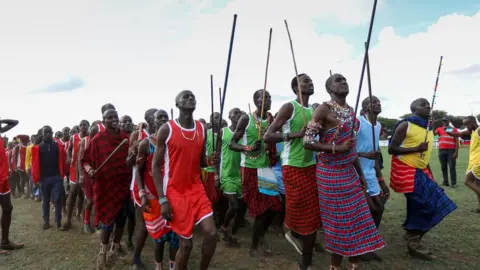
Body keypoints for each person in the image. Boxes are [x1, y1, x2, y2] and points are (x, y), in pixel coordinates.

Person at [303, 74, 385, 269]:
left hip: (350, 173)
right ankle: (335, 266)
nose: (343, 82)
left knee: (358, 220)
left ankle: (353, 265)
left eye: (345, 79)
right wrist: (335, 148)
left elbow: (352, 148)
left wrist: (362, 175)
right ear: (329, 88)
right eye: (338, 80)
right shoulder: (324, 109)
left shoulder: (351, 111)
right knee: (340, 223)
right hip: (330, 174)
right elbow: (307, 142)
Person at [152, 90, 218, 270]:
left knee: (212, 234)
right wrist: (163, 199)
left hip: (196, 189)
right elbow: (155, 167)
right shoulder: (167, 129)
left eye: (193, 96)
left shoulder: (201, 129)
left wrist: (211, 160)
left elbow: (201, 161)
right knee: (186, 245)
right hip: (175, 192)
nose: (190, 98)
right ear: (177, 104)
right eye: (185, 96)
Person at [388, 98, 456, 260]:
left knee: (438, 202)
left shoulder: (429, 128)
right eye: (422, 104)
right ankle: (413, 241)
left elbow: (424, 156)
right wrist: (416, 148)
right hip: (406, 170)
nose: (427, 106)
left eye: (428, 104)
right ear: (413, 109)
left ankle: (412, 234)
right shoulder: (406, 124)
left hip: (422, 170)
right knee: (421, 203)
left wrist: (430, 174)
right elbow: (391, 148)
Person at [264, 74, 320, 269]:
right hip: (292, 165)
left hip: (311, 165)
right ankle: (305, 261)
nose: (310, 83)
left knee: (313, 213)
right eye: (304, 81)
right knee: (302, 211)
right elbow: (268, 136)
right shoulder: (290, 107)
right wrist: (296, 134)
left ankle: (298, 239)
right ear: (295, 88)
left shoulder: (315, 110)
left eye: (311, 80)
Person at [230, 89, 281, 257]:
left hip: (266, 168)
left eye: (270, 98)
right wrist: (249, 147)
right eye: (264, 98)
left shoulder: (271, 119)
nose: (268, 101)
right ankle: (254, 245)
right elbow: (232, 144)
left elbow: (277, 136)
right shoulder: (246, 119)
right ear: (255, 101)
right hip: (250, 168)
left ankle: (260, 236)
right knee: (260, 211)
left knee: (274, 207)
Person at [82, 109, 131, 268]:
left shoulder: (125, 138)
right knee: (107, 220)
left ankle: (114, 248)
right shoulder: (98, 139)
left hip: (123, 184)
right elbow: (86, 160)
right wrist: (89, 170)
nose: (113, 120)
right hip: (105, 186)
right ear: (103, 122)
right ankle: (103, 252)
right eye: (109, 118)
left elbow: (130, 161)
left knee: (122, 218)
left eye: (115, 117)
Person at [136, 109, 179, 270]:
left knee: (175, 236)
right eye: (159, 117)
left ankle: (173, 267)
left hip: (173, 195)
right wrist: (142, 195)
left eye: (165, 117)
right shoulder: (145, 144)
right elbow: (138, 172)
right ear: (152, 122)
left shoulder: (174, 142)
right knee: (159, 238)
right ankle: (158, 266)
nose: (162, 119)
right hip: (153, 196)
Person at [129, 108, 158, 268]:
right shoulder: (140, 136)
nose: (160, 120)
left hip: (159, 185)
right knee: (145, 223)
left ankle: (159, 259)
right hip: (141, 184)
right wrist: (133, 151)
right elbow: (129, 162)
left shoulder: (164, 135)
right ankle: (136, 258)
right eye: (156, 117)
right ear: (148, 119)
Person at [216, 108, 245, 246]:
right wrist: (216, 175)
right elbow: (216, 154)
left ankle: (232, 234)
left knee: (242, 208)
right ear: (229, 116)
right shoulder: (223, 131)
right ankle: (223, 228)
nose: (238, 115)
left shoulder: (243, 133)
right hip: (227, 174)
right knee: (234, 205)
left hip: (241, 174)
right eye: (235, 113)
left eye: (240, 113)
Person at [31, 126, 68, 230]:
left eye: (49, 132)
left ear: (52, 133)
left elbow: (63, 161)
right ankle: (46, 221)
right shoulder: (38, 148)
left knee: (57, 200)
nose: (47, 134)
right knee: (45, 200)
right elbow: (34, 165)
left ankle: (58, 222)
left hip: (56, 177)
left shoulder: (58, 146)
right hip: (43, 178)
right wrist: (36, 179)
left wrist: (63, 174)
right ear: (42, 134)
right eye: (45, 132)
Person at [0, 118, 24, 255]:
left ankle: (5, 242)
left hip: (3, 178)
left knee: (8, 208)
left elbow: (15, 122)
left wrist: (1, 120)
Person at [446, 116, 480, 212]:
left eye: (466, 124)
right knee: (477, 184)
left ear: (472, 123)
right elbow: (456, 133)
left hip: (478, 162)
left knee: (467, 181)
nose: (465, 127)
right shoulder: (471, 131)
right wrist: (448, 128)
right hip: (473, 161)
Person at [63, 120, 90, 230]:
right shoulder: (73, 137)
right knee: (72, 193)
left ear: (88, 126)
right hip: (74, 169)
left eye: (85, 125)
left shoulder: (90, 137)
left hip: (86, 169)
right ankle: (68, 220)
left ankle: (81, 215)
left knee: (84, 195)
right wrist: (69, 157)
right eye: (81, 125)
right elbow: (69, 150)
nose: (83, 127)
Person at [77, 125, 95, 233]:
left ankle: (98, 222)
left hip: (99, 174)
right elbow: (80, 160)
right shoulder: (85, 141)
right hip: (88, 175)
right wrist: (81, 176)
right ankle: (86, 222)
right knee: (89, 200)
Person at [434, 117, 459, 187]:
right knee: (443, 167)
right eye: (443, 121)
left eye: (445, 120)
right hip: (441, 150)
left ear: (449, 121)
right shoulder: (439, 129)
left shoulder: (454, 129)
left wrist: (456, 152)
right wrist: (433, 124)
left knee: (452, 167)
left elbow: (457, 141)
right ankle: (445, 182)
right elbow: (434, 134)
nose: (444, 122)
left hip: (451, 150)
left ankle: (453, 183)